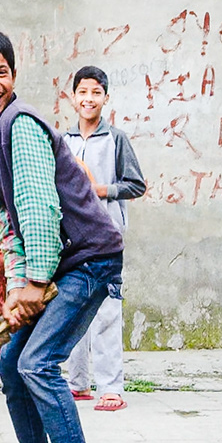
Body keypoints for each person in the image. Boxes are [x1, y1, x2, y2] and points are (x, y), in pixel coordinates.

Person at [0, 29, 120, 443]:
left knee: (37, 363)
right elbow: (7, 221)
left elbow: (39, 209)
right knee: (10, 362)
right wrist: (16, 288)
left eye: (0, 73)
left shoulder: (19, 125)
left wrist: (34, 283)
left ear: (13, 76)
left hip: (87, 257)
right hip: (57, 263)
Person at [60, 66, 144, 411]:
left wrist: (101, 190)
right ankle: (77, 384)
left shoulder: (116, 139)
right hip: (71, 239)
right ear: (73, 97)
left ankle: (110, 387)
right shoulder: (63, 141)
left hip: (107, 237)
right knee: (71, 310)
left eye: (96, 92)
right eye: (83, 92)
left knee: (107, 311)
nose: (88, 99)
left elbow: (135, 184)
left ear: (105, 98)